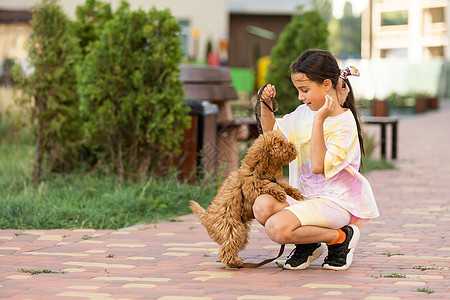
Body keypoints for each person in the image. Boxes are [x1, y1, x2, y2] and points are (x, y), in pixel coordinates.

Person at [253, 49, 379, 271]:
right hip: (306, 198)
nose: (301, 97)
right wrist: (265, 105)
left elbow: (318, 166)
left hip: (334, 202)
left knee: (277, 229)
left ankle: (340, 238)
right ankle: (308, 242)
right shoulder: (304, 112)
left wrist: (319, 120)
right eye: (299, 90)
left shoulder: (343, 124)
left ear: (327, 84)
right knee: (262, 206)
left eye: (305, 90)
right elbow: (272, 137)